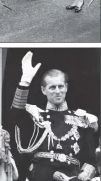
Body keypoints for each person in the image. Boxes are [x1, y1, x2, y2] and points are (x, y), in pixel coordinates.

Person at [11, 51, 98, 181]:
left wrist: (83, 176)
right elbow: (15, 114)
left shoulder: (82, 120)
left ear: (66, 88)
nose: (57, 91)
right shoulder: (36, 116)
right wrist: (25, 81)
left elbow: (91, 160)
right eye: (52, 87)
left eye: (60, 86)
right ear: (43, 90)